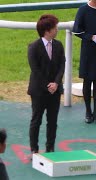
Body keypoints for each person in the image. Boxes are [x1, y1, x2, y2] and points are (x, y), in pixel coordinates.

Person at [28, 14, 65, 153]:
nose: (57, 30)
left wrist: (56, 83)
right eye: (55, 28)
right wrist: (47, 85)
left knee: (52, 122)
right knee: (36, 120)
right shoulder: (33, 47)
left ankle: (50, 149)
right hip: (39, 91)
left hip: (54, 91)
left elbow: (62, 65)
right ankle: (34, 150)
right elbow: (35, 70)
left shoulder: (58, 45)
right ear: (47, 31)